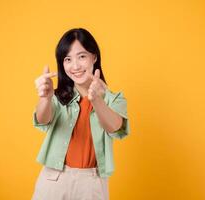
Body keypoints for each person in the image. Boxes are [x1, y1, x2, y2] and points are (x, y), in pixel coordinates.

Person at [32, 28, 130, 200]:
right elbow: (42, 119)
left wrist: (97, 100)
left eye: (82, 56)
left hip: (91, 183)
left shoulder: (114, 99)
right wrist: (46, 98)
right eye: (67, 59)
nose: (75, 66)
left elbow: (115, 128)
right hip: (53, 178)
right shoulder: (57, 96)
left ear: (95, 57)